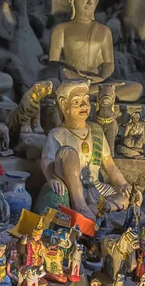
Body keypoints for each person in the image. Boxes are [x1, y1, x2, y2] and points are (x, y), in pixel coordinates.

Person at [48, 0, 142, 102]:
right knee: (55, 85)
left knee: (135, 88)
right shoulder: (62, 29)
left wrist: (102, 77)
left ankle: (97, 94)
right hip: (71, 81)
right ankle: (97, 95)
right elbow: (53, 64)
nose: (89, 2)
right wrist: (73, 74)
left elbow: (109, 63)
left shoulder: (104, 31)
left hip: (97, 83)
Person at [41, 79, 132, 220]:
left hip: (95, 186)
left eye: (87, 100)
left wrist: (122, 184)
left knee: (131, 197)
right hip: (72, 187)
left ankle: (101, 209)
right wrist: (51, 178)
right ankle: (80, 206)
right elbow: (47, 160)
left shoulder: (96, 130)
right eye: (77, 102)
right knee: (68, 152)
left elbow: (109, 164)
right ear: (64, 104)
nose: (84, 105)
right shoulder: (57, 133)